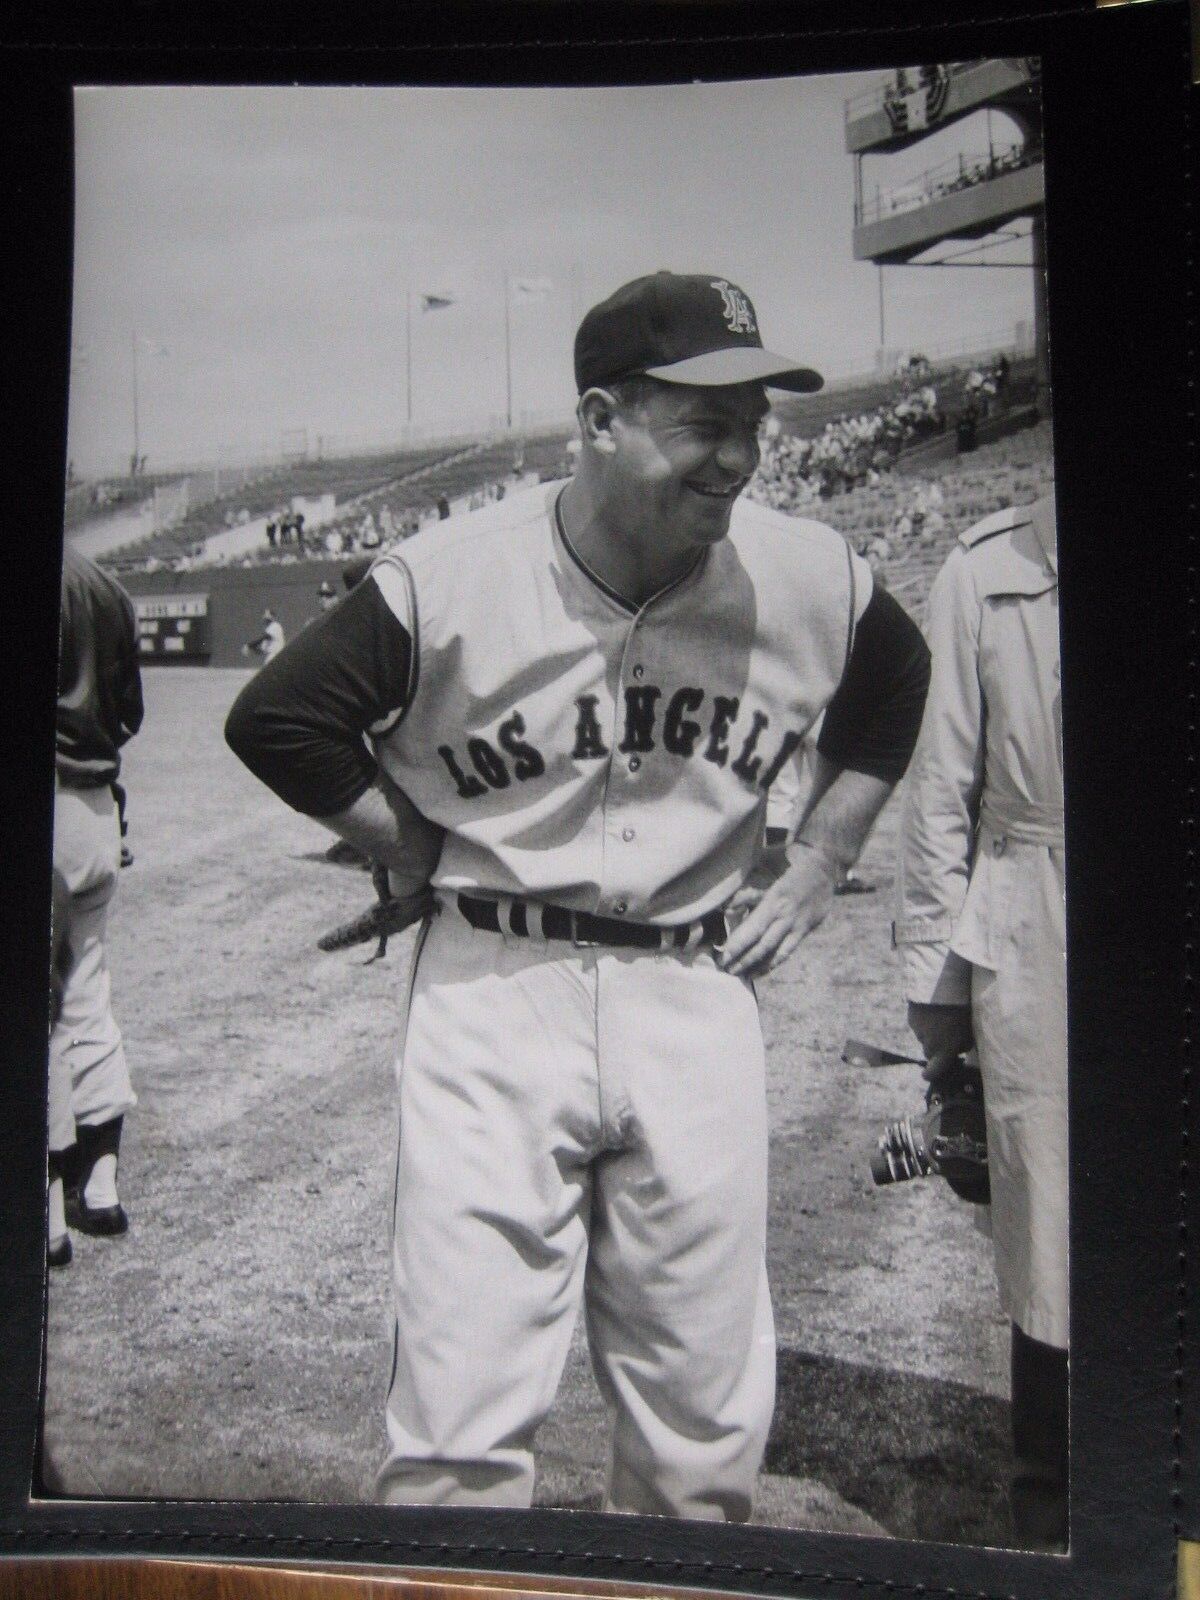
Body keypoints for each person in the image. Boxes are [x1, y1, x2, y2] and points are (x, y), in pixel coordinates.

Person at [225, 270, 930, 1520]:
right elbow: (279, 719)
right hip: (497, 988)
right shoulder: (451, 574)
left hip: (694, 983)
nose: (741, 456)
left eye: (755, 420)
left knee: (703, 1429)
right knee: (456, 1426)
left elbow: (897, 681)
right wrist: (415, 848)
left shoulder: (807, 571)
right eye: (703, 422)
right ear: (599, 421)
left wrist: (820, 859)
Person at [895, 491, 1066, 1550]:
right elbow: (942, 788)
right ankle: (1053, 1498)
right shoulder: (986, 569)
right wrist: (937, 991)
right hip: (1034, 920)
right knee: (1045, 1208)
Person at [49, 545, 145, 1260]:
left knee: (36, 1014)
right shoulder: (108, 586)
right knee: (87, 991)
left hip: (44, 801)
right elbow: (130, 714)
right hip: (94, 806)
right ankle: (102, 1182)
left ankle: (48, 1210)